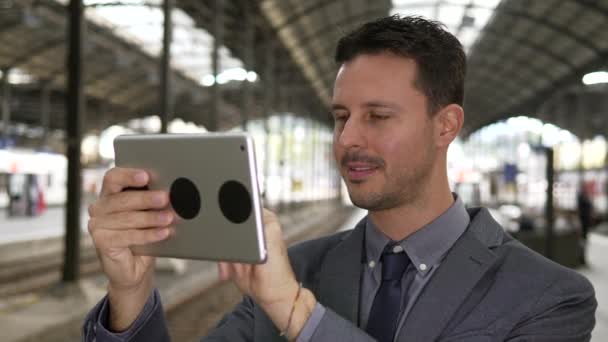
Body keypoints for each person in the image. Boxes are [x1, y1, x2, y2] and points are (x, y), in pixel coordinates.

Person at [83, 15, 596, 342]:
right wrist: (130, 294)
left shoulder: (550, 297)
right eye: (340, 116)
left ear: (446, 125)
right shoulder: (293, 269)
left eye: (377, 116)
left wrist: (297, 316)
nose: (348, 138)